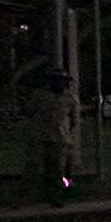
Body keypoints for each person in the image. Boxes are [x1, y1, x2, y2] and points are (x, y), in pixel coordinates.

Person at [30, 69, 80, 206]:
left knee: (58, 169)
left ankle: (56, 196)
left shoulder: (70, 97)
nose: (59, 83)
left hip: (60, 138)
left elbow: (74, 119)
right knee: (34, 166)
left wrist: (67, 133)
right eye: (56, 80)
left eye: (62, 80)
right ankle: (29, 195)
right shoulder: (40, 95)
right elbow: (30, 112)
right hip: (41, 135)